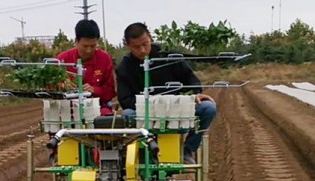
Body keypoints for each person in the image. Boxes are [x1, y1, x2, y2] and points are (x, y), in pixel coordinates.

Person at [116, 22, 217, 164]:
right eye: (136, 47)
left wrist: (194, 95)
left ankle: (187, 150)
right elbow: (125, 99)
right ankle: (146, 152)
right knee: (127, 115)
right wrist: (153, 104)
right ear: (127, 45)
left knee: (208, 108)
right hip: (146, 114)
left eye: (145, 44)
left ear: (150, 37)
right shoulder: (125, 67)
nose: (143, 50)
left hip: (175, 109)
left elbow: (192, 81)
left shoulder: (169, 57)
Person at [57, 19, 116, 116]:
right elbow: (49, 86)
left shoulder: (104, 58)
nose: (89, 50)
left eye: (93, 46)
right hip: (69, 109)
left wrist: (94, 90)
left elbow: (110, 91)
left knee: (105, 120)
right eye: (85, 46)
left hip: (98, 107)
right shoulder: (63, 60)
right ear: (76, 41)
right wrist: (61, 86)